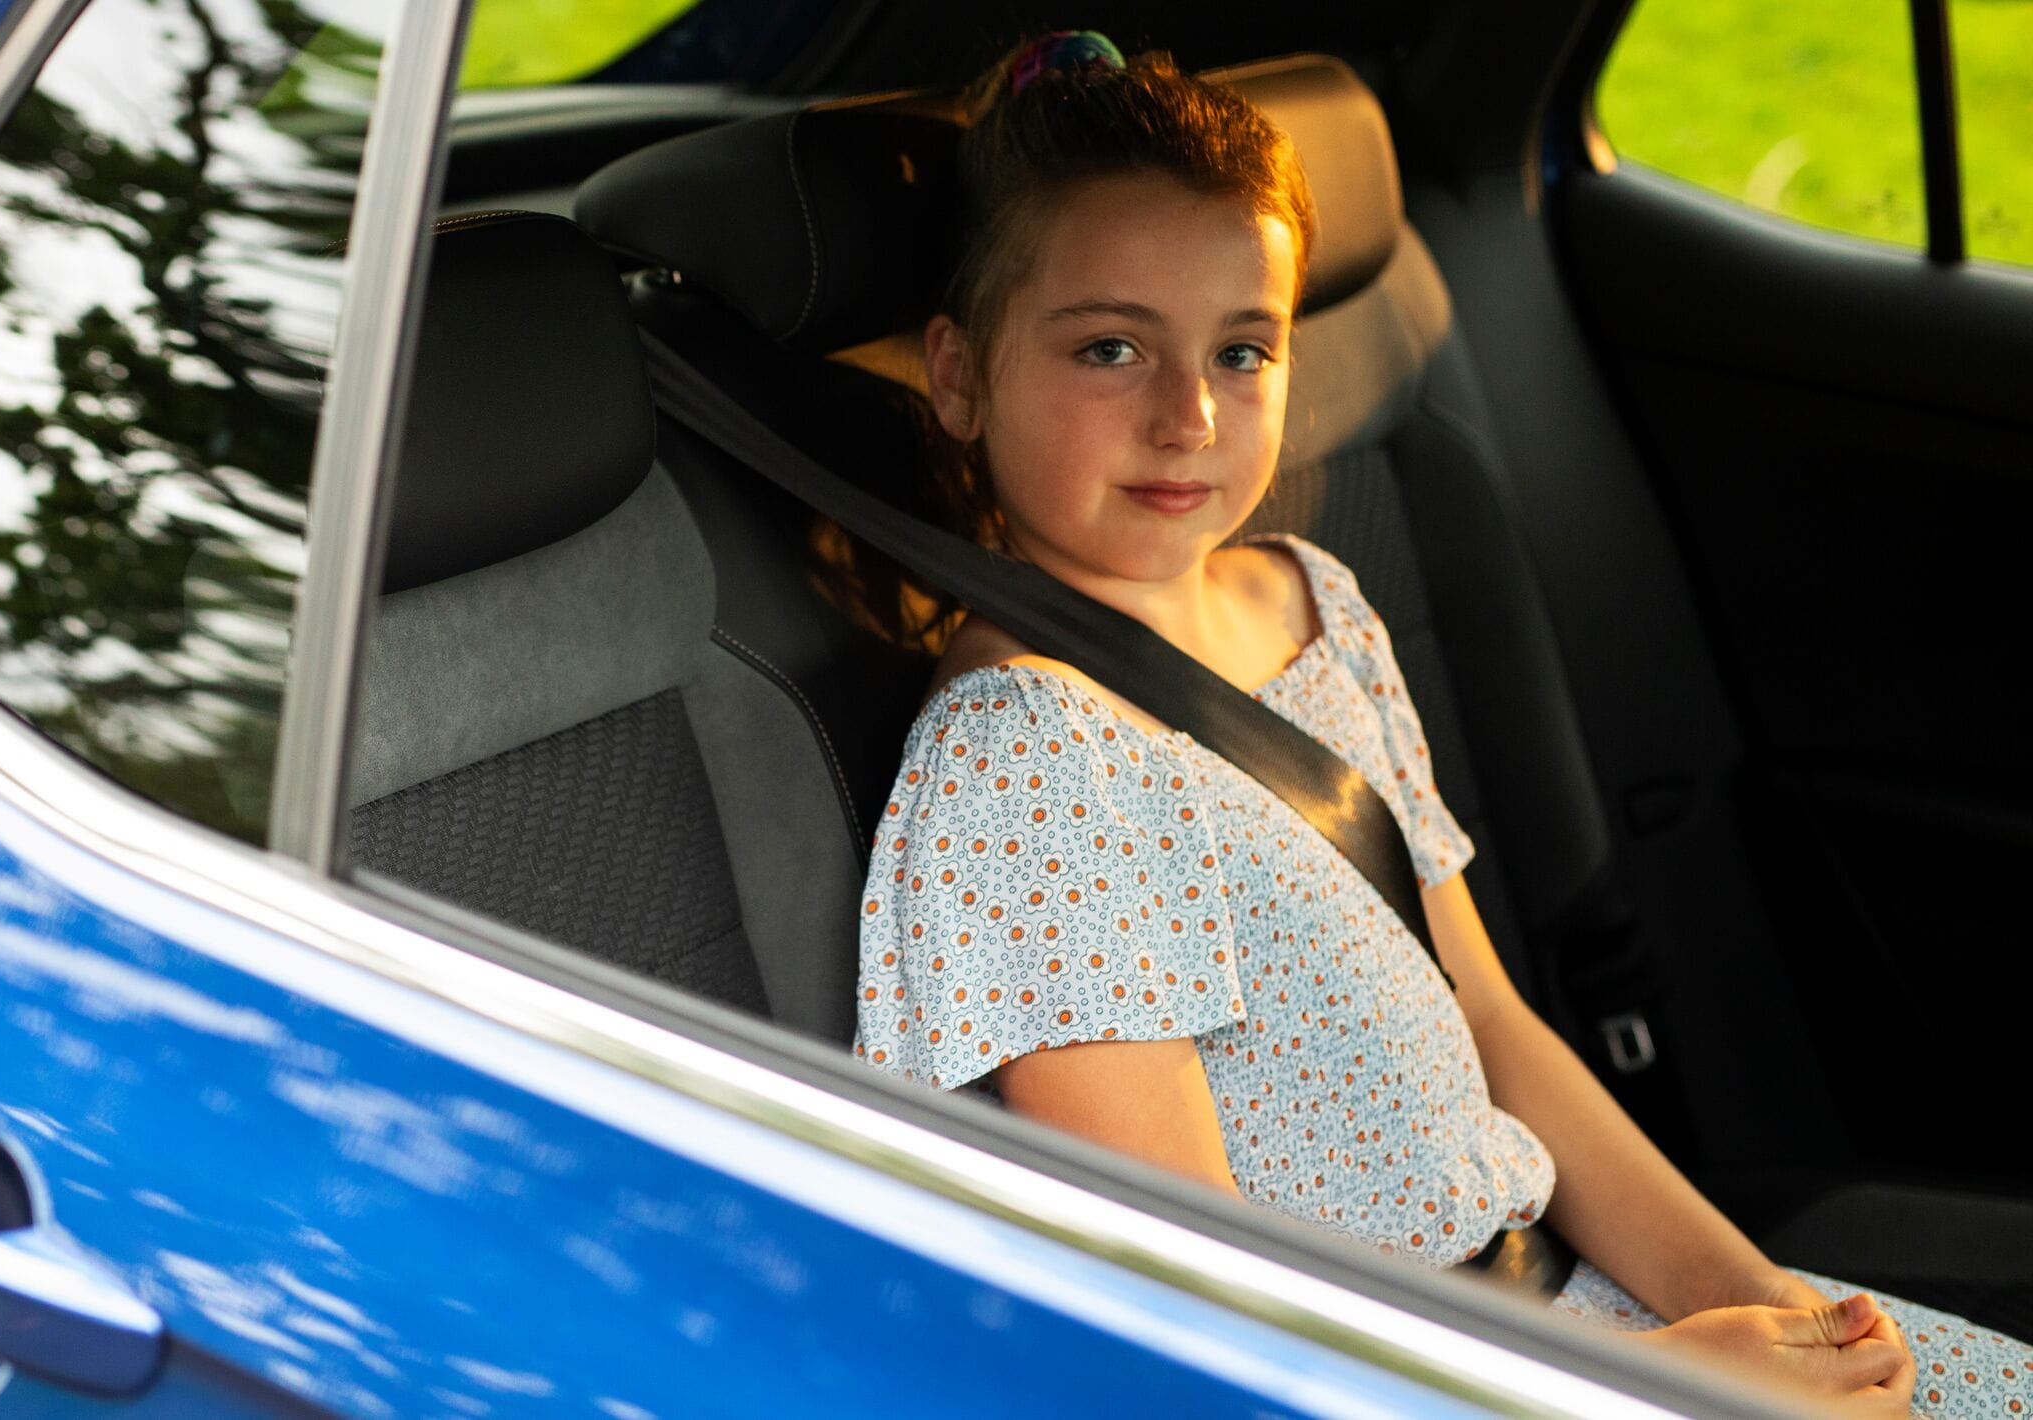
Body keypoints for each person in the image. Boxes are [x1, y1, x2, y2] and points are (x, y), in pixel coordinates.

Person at [849, 30, 2032, 1418]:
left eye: (1243, 350)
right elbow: (1199, 1318)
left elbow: (1491, 1022)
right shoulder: (1027, 764)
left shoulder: (1314, 602)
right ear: (959, 374)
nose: (1189, 415)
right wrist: (1645, 1381)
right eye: (1110, 347)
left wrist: (1758, 1302)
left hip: (1560, 1313)